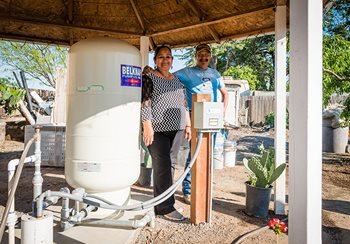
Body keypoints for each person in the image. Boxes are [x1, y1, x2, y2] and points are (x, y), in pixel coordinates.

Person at [141, 45, 191, 221]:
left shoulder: (177, 80)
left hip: (177, 128)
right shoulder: (148, 77)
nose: (165, 60)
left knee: (170, 166)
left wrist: (188, 125)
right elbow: (145, 102)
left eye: (168, 57)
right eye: (160, 57)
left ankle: (165, 202)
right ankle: (164, 208)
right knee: (162, 167)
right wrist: (147, 125)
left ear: (172, 60)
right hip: (157, 130)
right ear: (155, 60)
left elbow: (184, 104)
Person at [174, 43, 229, 204]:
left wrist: (222, 112)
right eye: (200, 55)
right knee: (194, 154)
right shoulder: (187, 72)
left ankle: (204, 187)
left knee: (207, 154)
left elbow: (225, 94)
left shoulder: (215, 74)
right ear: (196, 56)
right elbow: (168, 76)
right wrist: (152, 71)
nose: (203, 58)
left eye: (206, 55)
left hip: (211, 117)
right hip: (194, 116)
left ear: (210, 56)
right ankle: (188, 190)